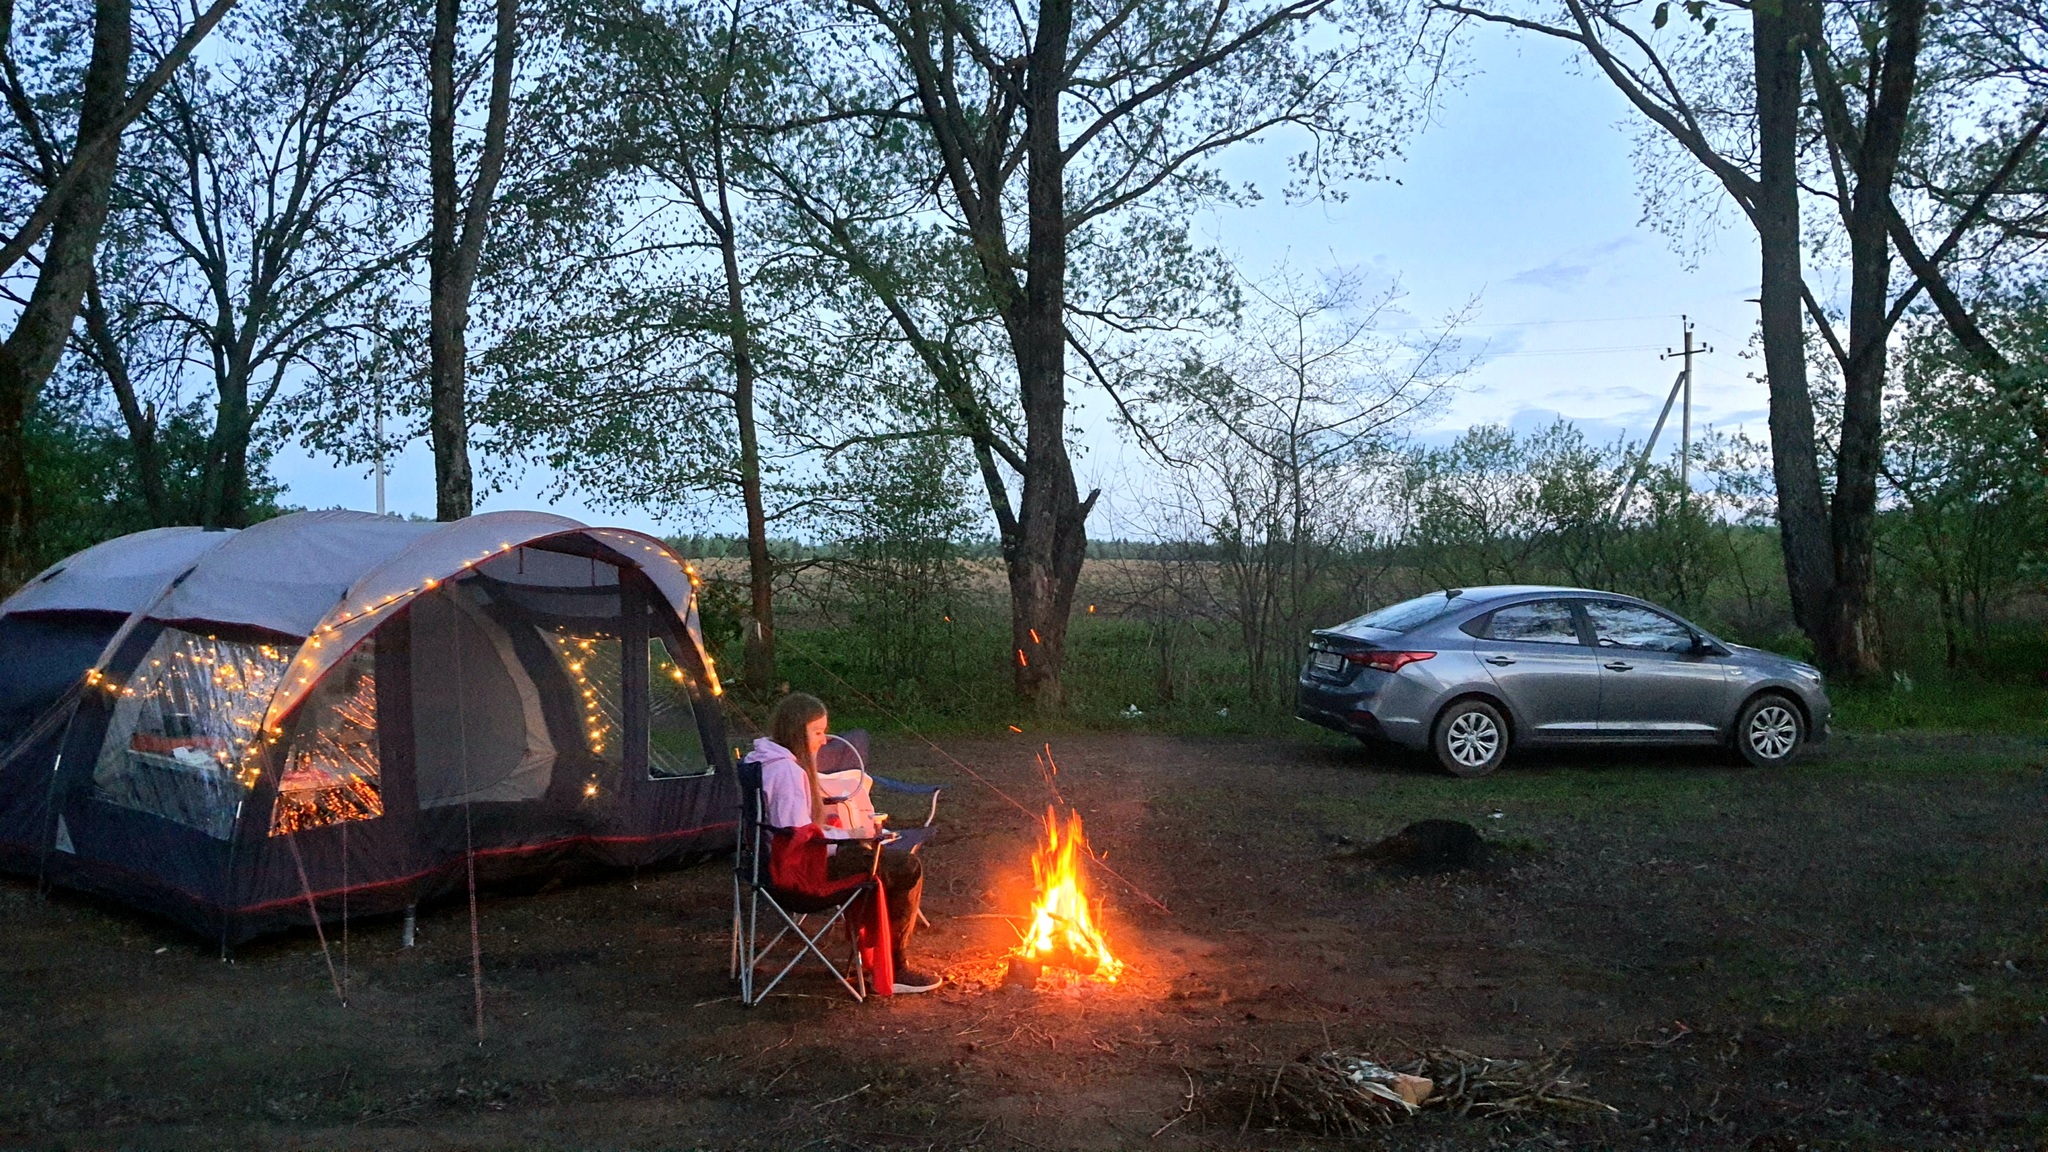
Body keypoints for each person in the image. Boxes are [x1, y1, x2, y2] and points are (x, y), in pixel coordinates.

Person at [750, 692, 941, 994]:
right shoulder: (788, 771)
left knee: (871, 855)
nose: (824, 740)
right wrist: (857, 836)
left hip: (767, 868)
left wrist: (851, 839)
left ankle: (876, 958)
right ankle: (893, 967)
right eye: (817, 732)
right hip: (800, 875)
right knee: (905, 866)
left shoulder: (761, 762)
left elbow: (796, 831)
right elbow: (798, 836)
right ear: (797, 732)